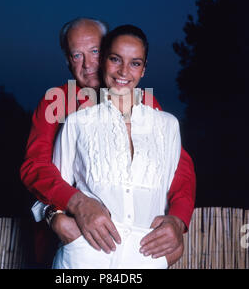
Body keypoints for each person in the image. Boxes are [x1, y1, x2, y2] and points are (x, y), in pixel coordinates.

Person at [20, 18, 196, 266]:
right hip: (74, 245)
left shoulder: (144, 104)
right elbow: (35, 166)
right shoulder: (56, 101)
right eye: (76, 55)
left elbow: (180, 169)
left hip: (137, 251)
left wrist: (178, 219)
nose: (89, 63)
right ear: (67, 60)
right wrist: (66, 212)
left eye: (94, 51)